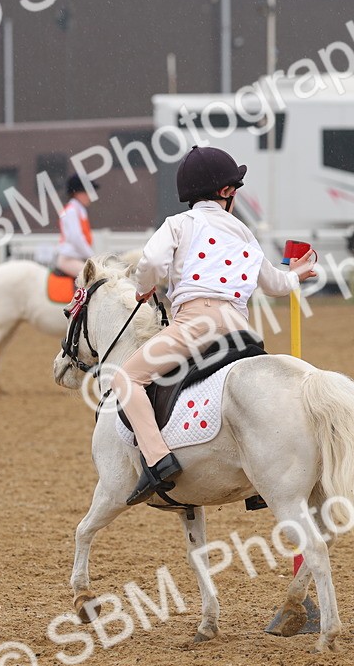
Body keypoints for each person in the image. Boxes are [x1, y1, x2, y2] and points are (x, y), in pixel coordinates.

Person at [121, 146, 317, 505]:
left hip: (197, 324)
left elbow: (150, 260)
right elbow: (275, 285)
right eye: (235, 188)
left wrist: (144, 287)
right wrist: (296, 275)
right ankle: (262, 479)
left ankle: (157, 460)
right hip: (241, 330)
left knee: (127, 378)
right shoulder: (243, 232)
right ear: (226, 192)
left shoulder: (179, 224)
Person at [55, 174, 97, 279]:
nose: (90, 196)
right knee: (95, 277)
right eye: (87, 192)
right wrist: (92, 256)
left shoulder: (79, 210)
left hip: (76, 258)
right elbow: (76, 238)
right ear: (77, 193)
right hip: (68, 260)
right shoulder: (71, 211)